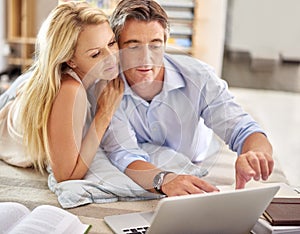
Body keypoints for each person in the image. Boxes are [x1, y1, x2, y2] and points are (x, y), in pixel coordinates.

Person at [101, 0, 274, 196]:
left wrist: (254, 155)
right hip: (147, 163)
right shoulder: (108, 89)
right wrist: (164, 180)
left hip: (196, 155)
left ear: (165, 44)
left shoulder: (199, 77)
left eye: (155, 46)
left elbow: (244, 129)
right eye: (133, 47)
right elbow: (125, 154)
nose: (146, 58)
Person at [0, 1, 124, 182]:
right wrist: (104, 114)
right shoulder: (70, 90)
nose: (111, 57)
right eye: (95, 54)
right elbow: (65, 176)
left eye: (112, 43)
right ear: (70, 60)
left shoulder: (87, 78)